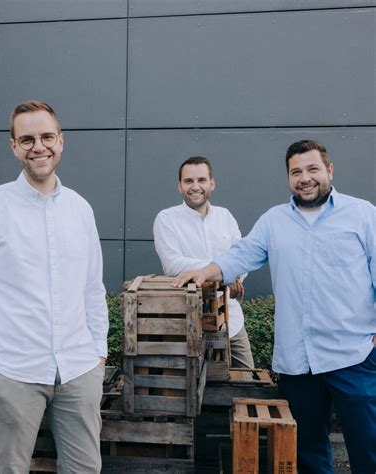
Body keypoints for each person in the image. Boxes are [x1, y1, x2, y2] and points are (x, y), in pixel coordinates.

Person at [172, 140, 375, 473]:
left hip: (352, 355)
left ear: (329, 170)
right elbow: (238, 255)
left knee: (368, 449)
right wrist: (204, 271)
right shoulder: (274, 221)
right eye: (296, 172)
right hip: (298, 362)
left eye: (312, 169)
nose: (304, 178)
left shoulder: (363, 215)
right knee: (308, 453)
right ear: (288, 178)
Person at [0, 100, 108, 473]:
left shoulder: (80, 209)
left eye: (46, 137)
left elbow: (93, 288)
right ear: (13, 146)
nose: (38, 147)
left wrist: (99, 355)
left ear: (61, 141)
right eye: (26, 139)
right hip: (13, 374)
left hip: (78, 370)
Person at [153, 156, 254, 368]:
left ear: (212, 183)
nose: (195, 186)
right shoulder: (166, 219)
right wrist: (226, 271)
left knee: (247, 378)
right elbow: (173, 265)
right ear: (179, 186)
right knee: (196, 390)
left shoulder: (225, 216)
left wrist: (231, 272)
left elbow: (243, 257)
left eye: (201, 180)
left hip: (231, 320)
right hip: (189, 322)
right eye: (188, 181)